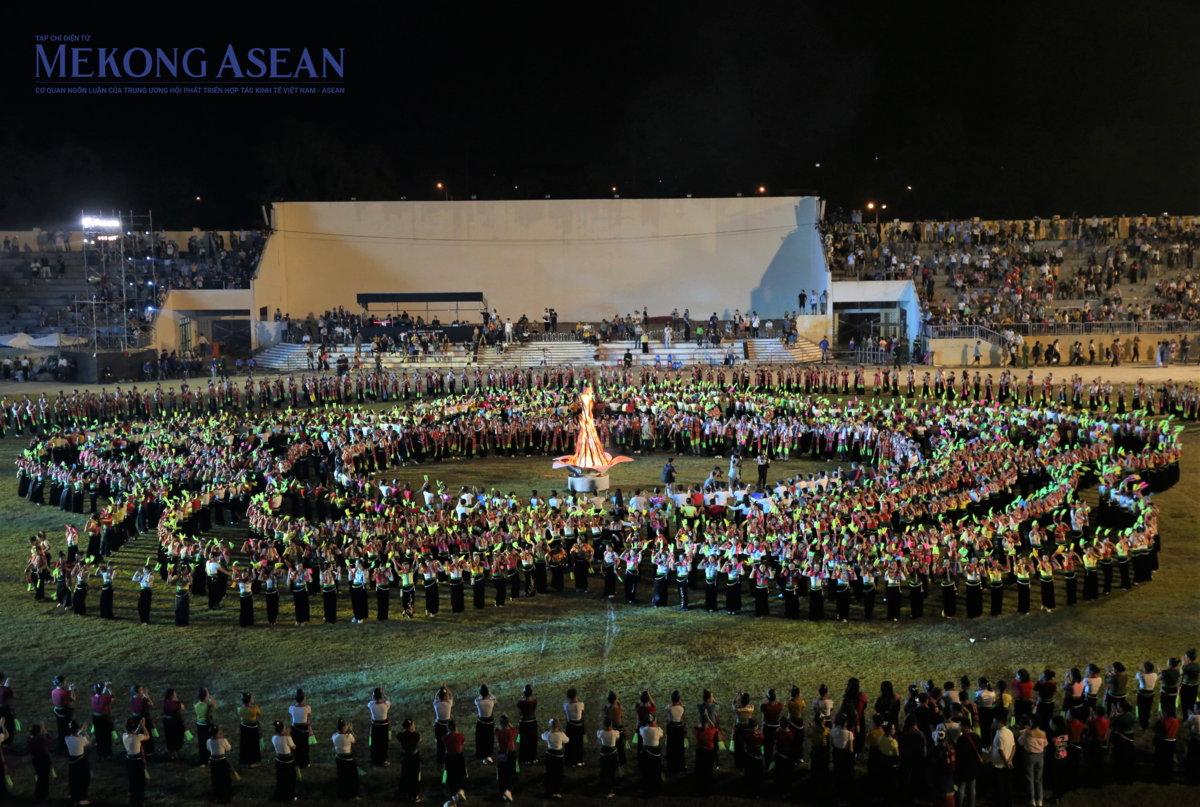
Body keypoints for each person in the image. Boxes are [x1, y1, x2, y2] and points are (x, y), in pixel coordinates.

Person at [1016, 715, 1046, 807]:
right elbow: (1045, 744)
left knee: (1029, 779)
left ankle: (1031, 799)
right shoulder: (1043, 733)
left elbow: (1020, 742)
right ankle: (1039, 800)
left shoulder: (1028, 732)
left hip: (1030, 756)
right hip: (1040, 756)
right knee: (1038, 779)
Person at [123, 717, 150, 807]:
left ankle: (133, 800)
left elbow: (134, 734)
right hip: (137, 761)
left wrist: (139, 726)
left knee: (132, 781)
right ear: (133, 729)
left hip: (129, 760)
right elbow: (148, 736)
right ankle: (140, 800)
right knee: (141, 781)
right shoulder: (138, 737)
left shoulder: (124, 736)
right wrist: (143, 727)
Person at [990, 716, 1015, 807]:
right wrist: (1009, 761)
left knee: (1000, 787)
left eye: (995, 722)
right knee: (1007, 785)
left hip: (999, 764)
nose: (994, 724)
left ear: (1000, 723)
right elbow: (1013, 747)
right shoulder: (1009, 732)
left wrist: (1006, 761)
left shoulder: (999, 735)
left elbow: (1001, 751)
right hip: (1007, 763)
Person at [332, 718, 359, 801]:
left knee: (342, 777)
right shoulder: (349, 736)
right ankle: (351, 795)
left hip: (339, 758)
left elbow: (341, 735)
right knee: (352, 777)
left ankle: (341, 794)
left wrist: (347, 731)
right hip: (348, 760)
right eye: (346, 725)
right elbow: (354, 740)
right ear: (344, 727)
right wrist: (351, 731)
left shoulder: (334, 736)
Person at [207, 723, 234, 804]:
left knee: (216, 779)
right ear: (218, 733)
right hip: (222, 761)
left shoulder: (208, 741)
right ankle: (226, 796)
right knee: (224, 778)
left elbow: (208, 748)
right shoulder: (223, 740)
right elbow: (228, 748)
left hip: (213, 762)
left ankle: (218, 796)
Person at [542, 717, 569, 798]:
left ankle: (550, 791)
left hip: (550, 755)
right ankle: (557, 792)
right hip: (558, 756)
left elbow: (542, 736)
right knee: (558, 773)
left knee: (550, 773)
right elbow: (567, 740)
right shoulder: (561, 735)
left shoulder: (548, 734)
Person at [397, 718, 422, 803]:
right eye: (413, 725)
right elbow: (419, 740)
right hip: (414, 758)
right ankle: (414, 795)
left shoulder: (400, 735)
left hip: (405, 757)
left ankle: (403, 794)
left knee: (405, 774)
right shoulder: (415, 736)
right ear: (410, 726)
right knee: (414, 776)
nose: (414, 726)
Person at [272, 721, 298, 802]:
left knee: (281, 779)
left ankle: (280, 795)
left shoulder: (273, 738)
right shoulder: (287, 738)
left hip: (278, 760)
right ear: (283, 730)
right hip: (288, 762)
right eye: (285, 728)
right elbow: (294, 747)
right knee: (290, 779)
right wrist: (288, 736)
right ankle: (290, 796)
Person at [495, 713, 518, 801]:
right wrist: (509, 722)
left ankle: (503, 790)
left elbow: (496, 730)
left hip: (501, 753)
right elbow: (514, 729)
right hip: (510, 753)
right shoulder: (511, 732)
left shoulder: (498, 732)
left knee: (502, 772)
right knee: (510, 772)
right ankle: (509, 790)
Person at [288, 689, 313, 769]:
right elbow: (309, 714)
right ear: (303, 699)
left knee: (296, 745)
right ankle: (305, 763)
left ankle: (297, 762)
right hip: (304, 728)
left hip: (295, 728)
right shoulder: (307, 708)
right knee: (304, 746)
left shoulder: (292, 708)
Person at [442, 719, 468, 795]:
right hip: (459, 756)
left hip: (449, 757)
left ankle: (448, 783)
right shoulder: (460, 736)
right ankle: (461, 785)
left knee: (450, 772)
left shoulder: (444, 738)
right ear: (455, 727)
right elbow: (463, 742)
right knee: (460, 772)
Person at [237, 692, 262, 768]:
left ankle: (245, 760)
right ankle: (252, 762)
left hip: (244, 727)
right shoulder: (255, 709)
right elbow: (259, 713)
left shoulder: (239, 709)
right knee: (253, 744)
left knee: (245, 743)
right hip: (253, 728)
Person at [597, 717, 620, 798]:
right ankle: (608, 791)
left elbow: (599, 739)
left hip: (603, 754)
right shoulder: (616, 733)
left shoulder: (600, 733)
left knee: (603, 772)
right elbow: (617, 739)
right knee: (611, 773)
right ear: (611, 724)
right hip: (612, 755)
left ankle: (602, 788)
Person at [368, 686, 391, 766]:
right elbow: (388, 701)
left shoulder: (371, 705)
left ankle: (375, 759)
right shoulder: (385, 706)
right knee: (383, 744)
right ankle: (383, 760)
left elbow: (371, 702)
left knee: (375, 743)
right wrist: (384, 694)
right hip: (383, 726)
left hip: (375, 726)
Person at [563, 688, 585, 768]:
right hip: (578, 726)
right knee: (578, 743)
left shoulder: (566, 705)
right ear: (576, 695)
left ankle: (569, 760)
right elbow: (582, 711)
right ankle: (578, 761)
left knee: (570, 743)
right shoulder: (580, 705)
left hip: (570, 726)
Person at [475, 684, 496, 764]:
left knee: (481, 739)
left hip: (481, 723)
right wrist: (488, 692)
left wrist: (482, 693)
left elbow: (476, 699)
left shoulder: (478, 702)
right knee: (489, 739)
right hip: (489, 723)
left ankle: (482, 755)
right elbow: (494, 697)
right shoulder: (491, 702)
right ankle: (489, 755)